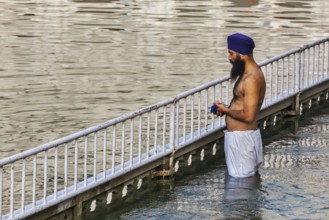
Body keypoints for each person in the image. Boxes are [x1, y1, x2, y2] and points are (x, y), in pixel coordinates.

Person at [213, 33, 266, 178]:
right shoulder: (249, 73)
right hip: (241, 139)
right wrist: (226, 109)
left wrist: (227, 111)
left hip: (242, 141)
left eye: (231, 53)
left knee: (240, 190)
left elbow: (249, 116)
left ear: (242, 54)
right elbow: (243, 105)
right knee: (241, 187)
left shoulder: (251, 79)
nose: (229, 58)